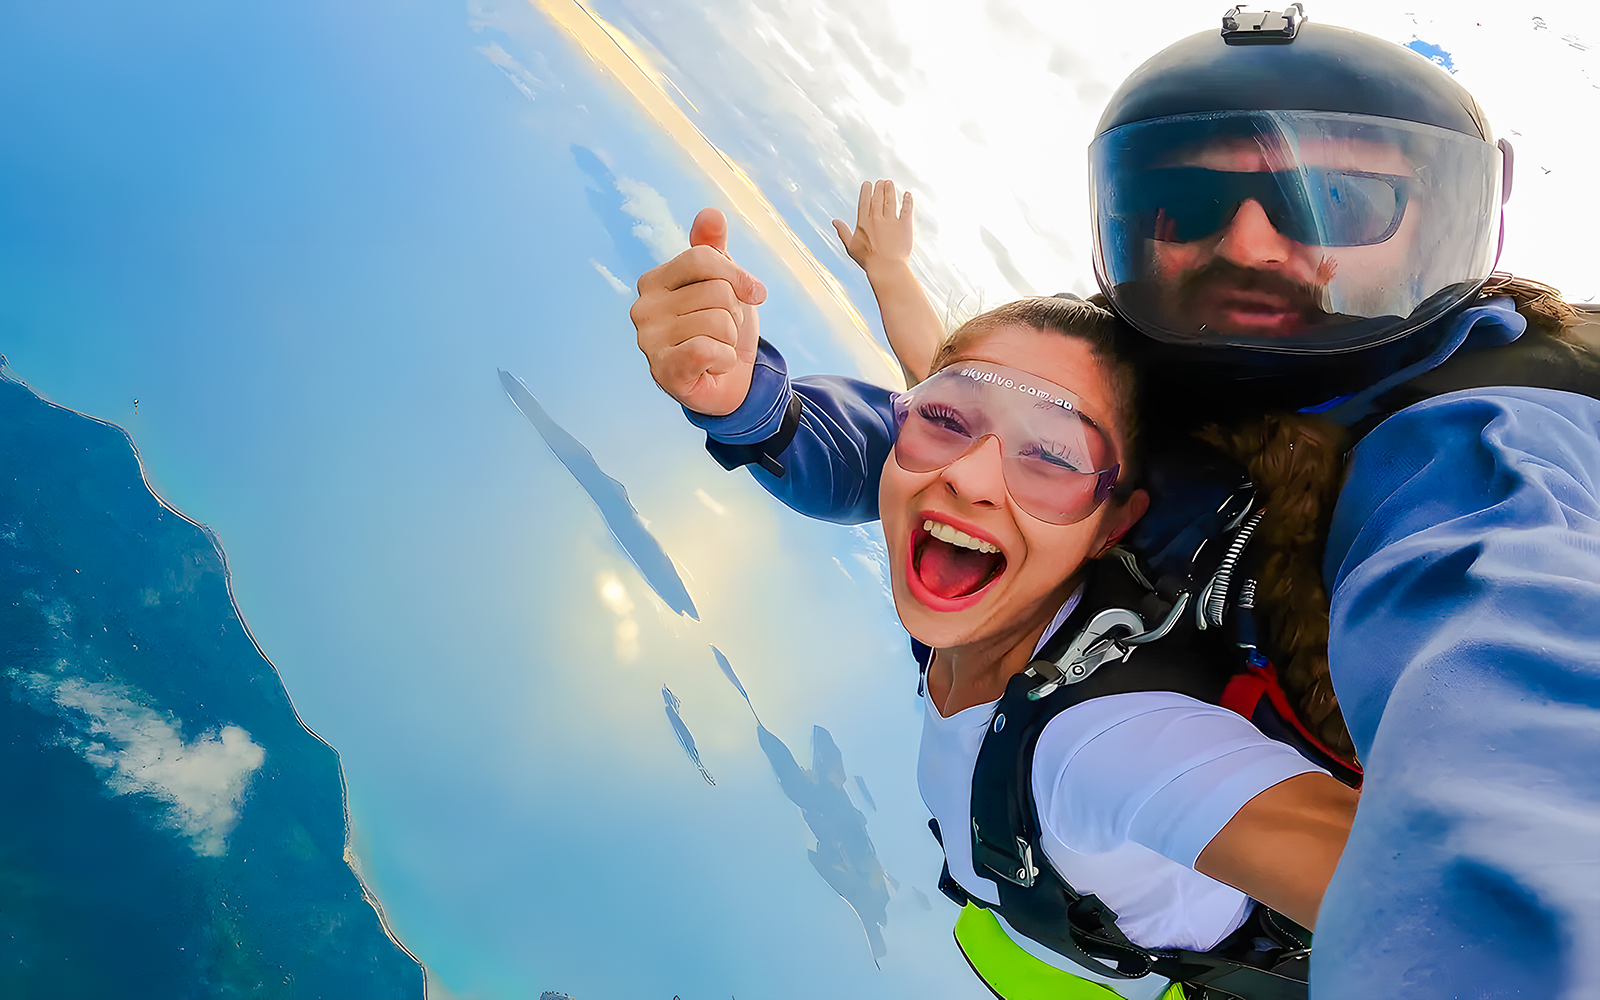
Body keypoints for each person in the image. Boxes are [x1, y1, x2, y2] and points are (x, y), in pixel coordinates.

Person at [630, 10, 1600, 998]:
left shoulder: (1479, 464)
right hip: (1042, 913)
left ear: (1119, 516)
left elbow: (1504, 791)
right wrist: (757, 401)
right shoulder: (1137, 401)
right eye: (1186, 200)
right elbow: (932, 414)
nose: (1250, 241)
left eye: (1341, 199)